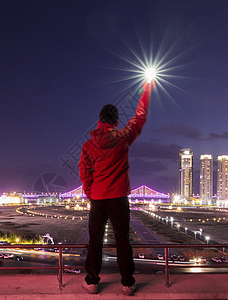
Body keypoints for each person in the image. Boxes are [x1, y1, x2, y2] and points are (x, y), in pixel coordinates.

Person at [78, 80, 155, 296]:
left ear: (99, 121)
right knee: (122, 240)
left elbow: (84, 171)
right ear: (116, 121)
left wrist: (90, 193)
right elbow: (140, 118)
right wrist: (146, 89)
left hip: (98, 199)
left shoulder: (88, 145)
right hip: (119, 198)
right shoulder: (123, 138)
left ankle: (92, 282)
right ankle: (127, 284)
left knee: (95, 241)